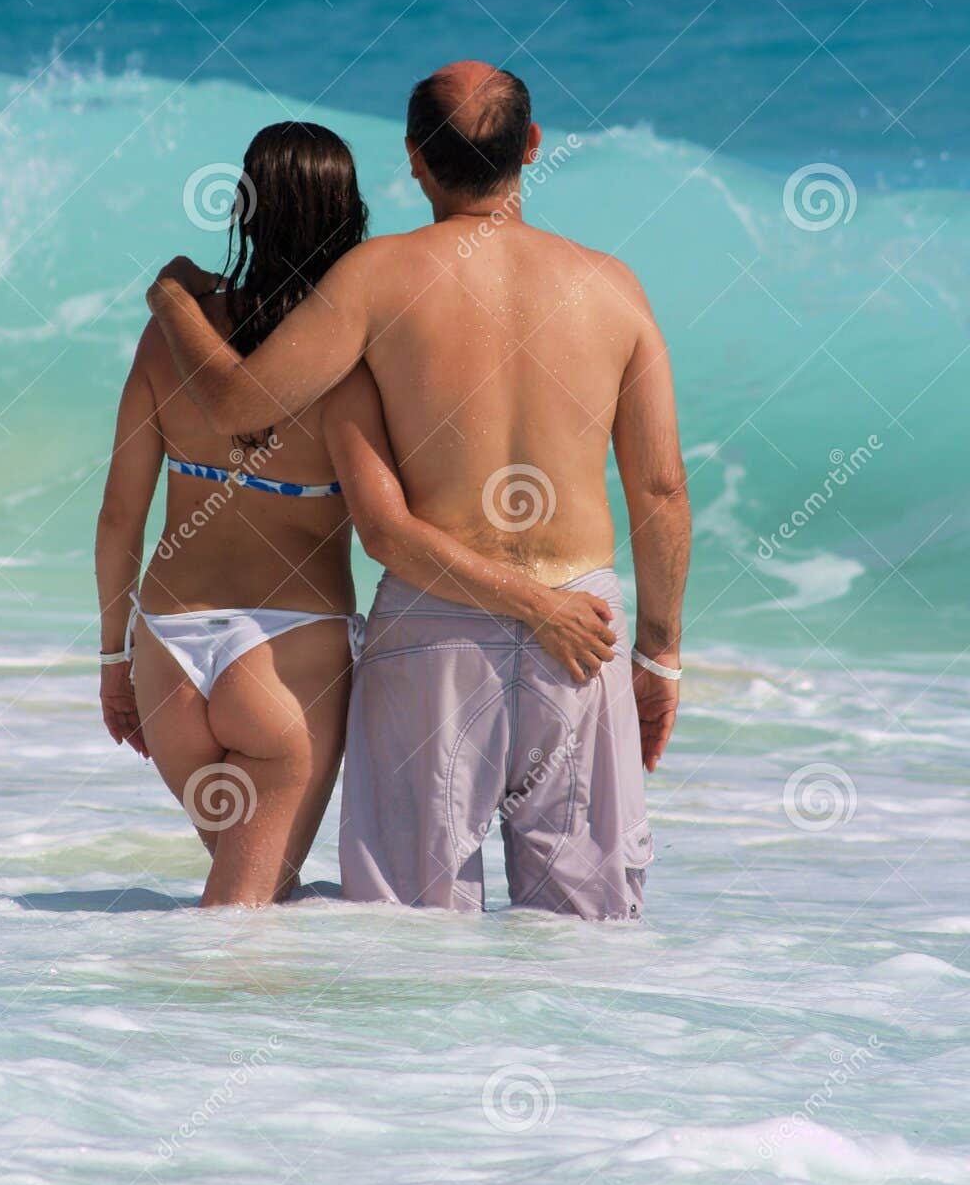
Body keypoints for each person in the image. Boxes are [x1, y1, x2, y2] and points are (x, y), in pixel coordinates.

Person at [145, 63, 691, 919]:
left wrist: (174, 296)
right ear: (533, 148)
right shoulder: (613, 286)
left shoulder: (375, 278)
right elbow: (659, 489)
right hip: (586, 629)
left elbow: (235, 406)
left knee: (410, 935)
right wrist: (657, 658)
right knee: (591, 936)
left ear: (415, 160)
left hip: (437, 628)